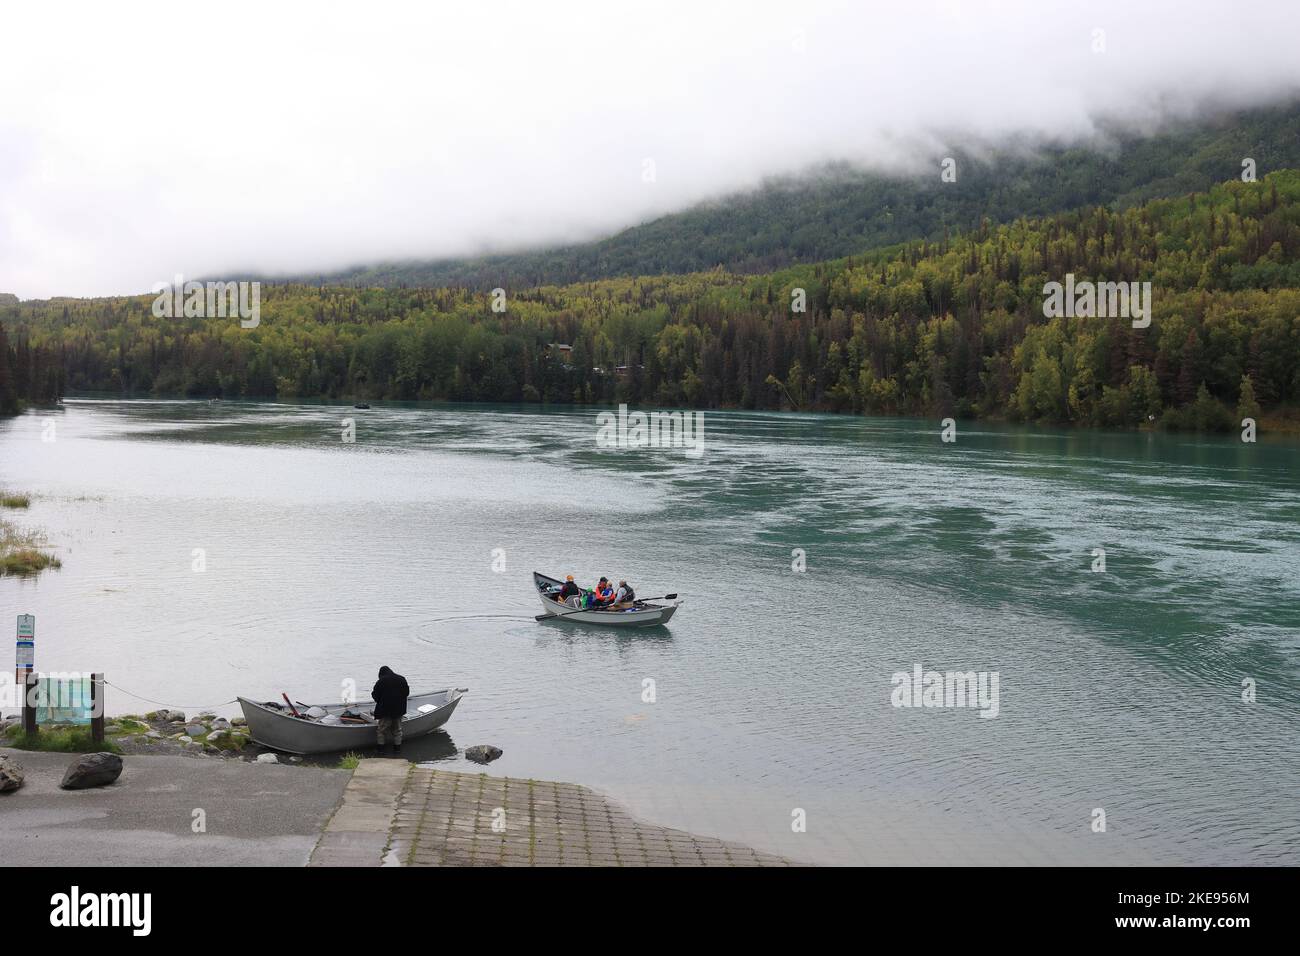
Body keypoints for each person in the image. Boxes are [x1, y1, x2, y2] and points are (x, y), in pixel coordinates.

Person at [372, 665, 410, 755]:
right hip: (398, 710)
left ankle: (380, 750)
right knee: (397, 730)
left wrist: (381, 702)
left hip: (385, 711)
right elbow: (406, 693)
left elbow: (375, 695)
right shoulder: (402, 679)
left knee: (381, 731)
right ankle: (397, 749)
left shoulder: (381, 681)